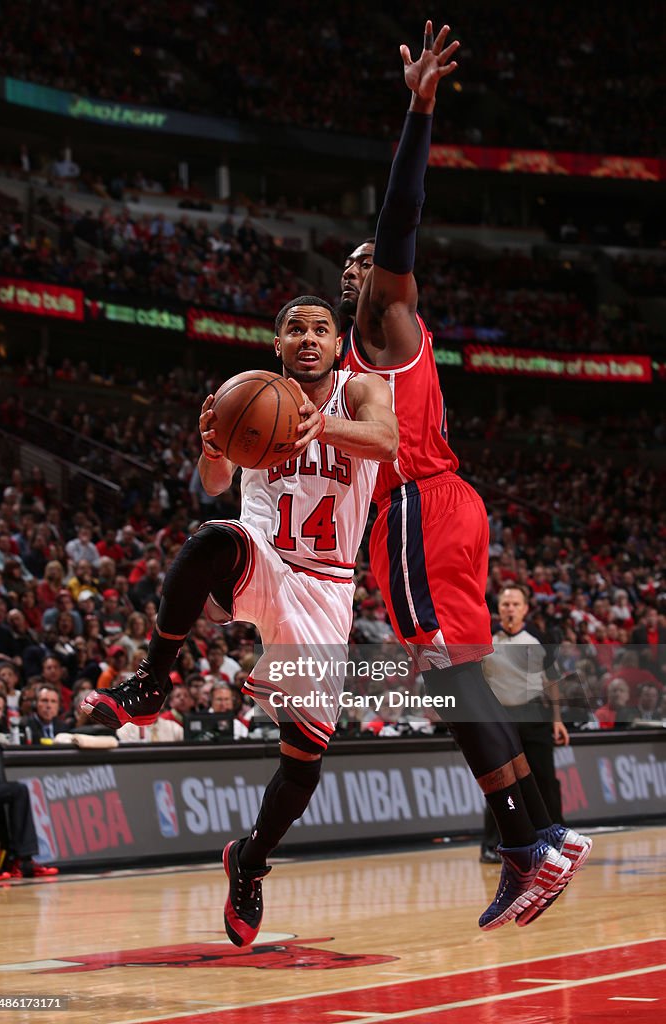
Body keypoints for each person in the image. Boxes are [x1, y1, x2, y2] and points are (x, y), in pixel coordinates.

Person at [339, 20, 591, 929]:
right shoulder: (356, 365)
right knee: (466, 685)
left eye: (371, 261)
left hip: (420, 506)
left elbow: (397, 214)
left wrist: (417, 110)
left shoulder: (383, 315)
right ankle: (541, 842)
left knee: (448, 685)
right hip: (441, 508)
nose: (367, 263)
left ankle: (525, 845)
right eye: (357, 264)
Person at [82, 294, 397, 946]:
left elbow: (387, 441)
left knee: (304, 761)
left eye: (319, 329)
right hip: (266, 557)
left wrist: (320, 428)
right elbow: (215, 484)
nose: (306, 338)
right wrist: (213, 447)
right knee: (209, 538)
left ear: (337, 343)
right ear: (276, 344)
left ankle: (248, 862)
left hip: (328, 586)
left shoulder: (360, 388)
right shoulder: (247, 393)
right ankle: (151, 679)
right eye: (293, 329)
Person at [479, 585, 570, 863]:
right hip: (500, 719)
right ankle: (493, 845)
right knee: (500, 784)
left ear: (525, 609)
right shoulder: (486, 639)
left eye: (516, 604)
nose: (510, 609)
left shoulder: (537, 639)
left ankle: (556, 839)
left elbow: (553, 682)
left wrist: (557, 720)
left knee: (544, 780)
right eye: (506, 604)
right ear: (499, 609)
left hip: (533, 717)